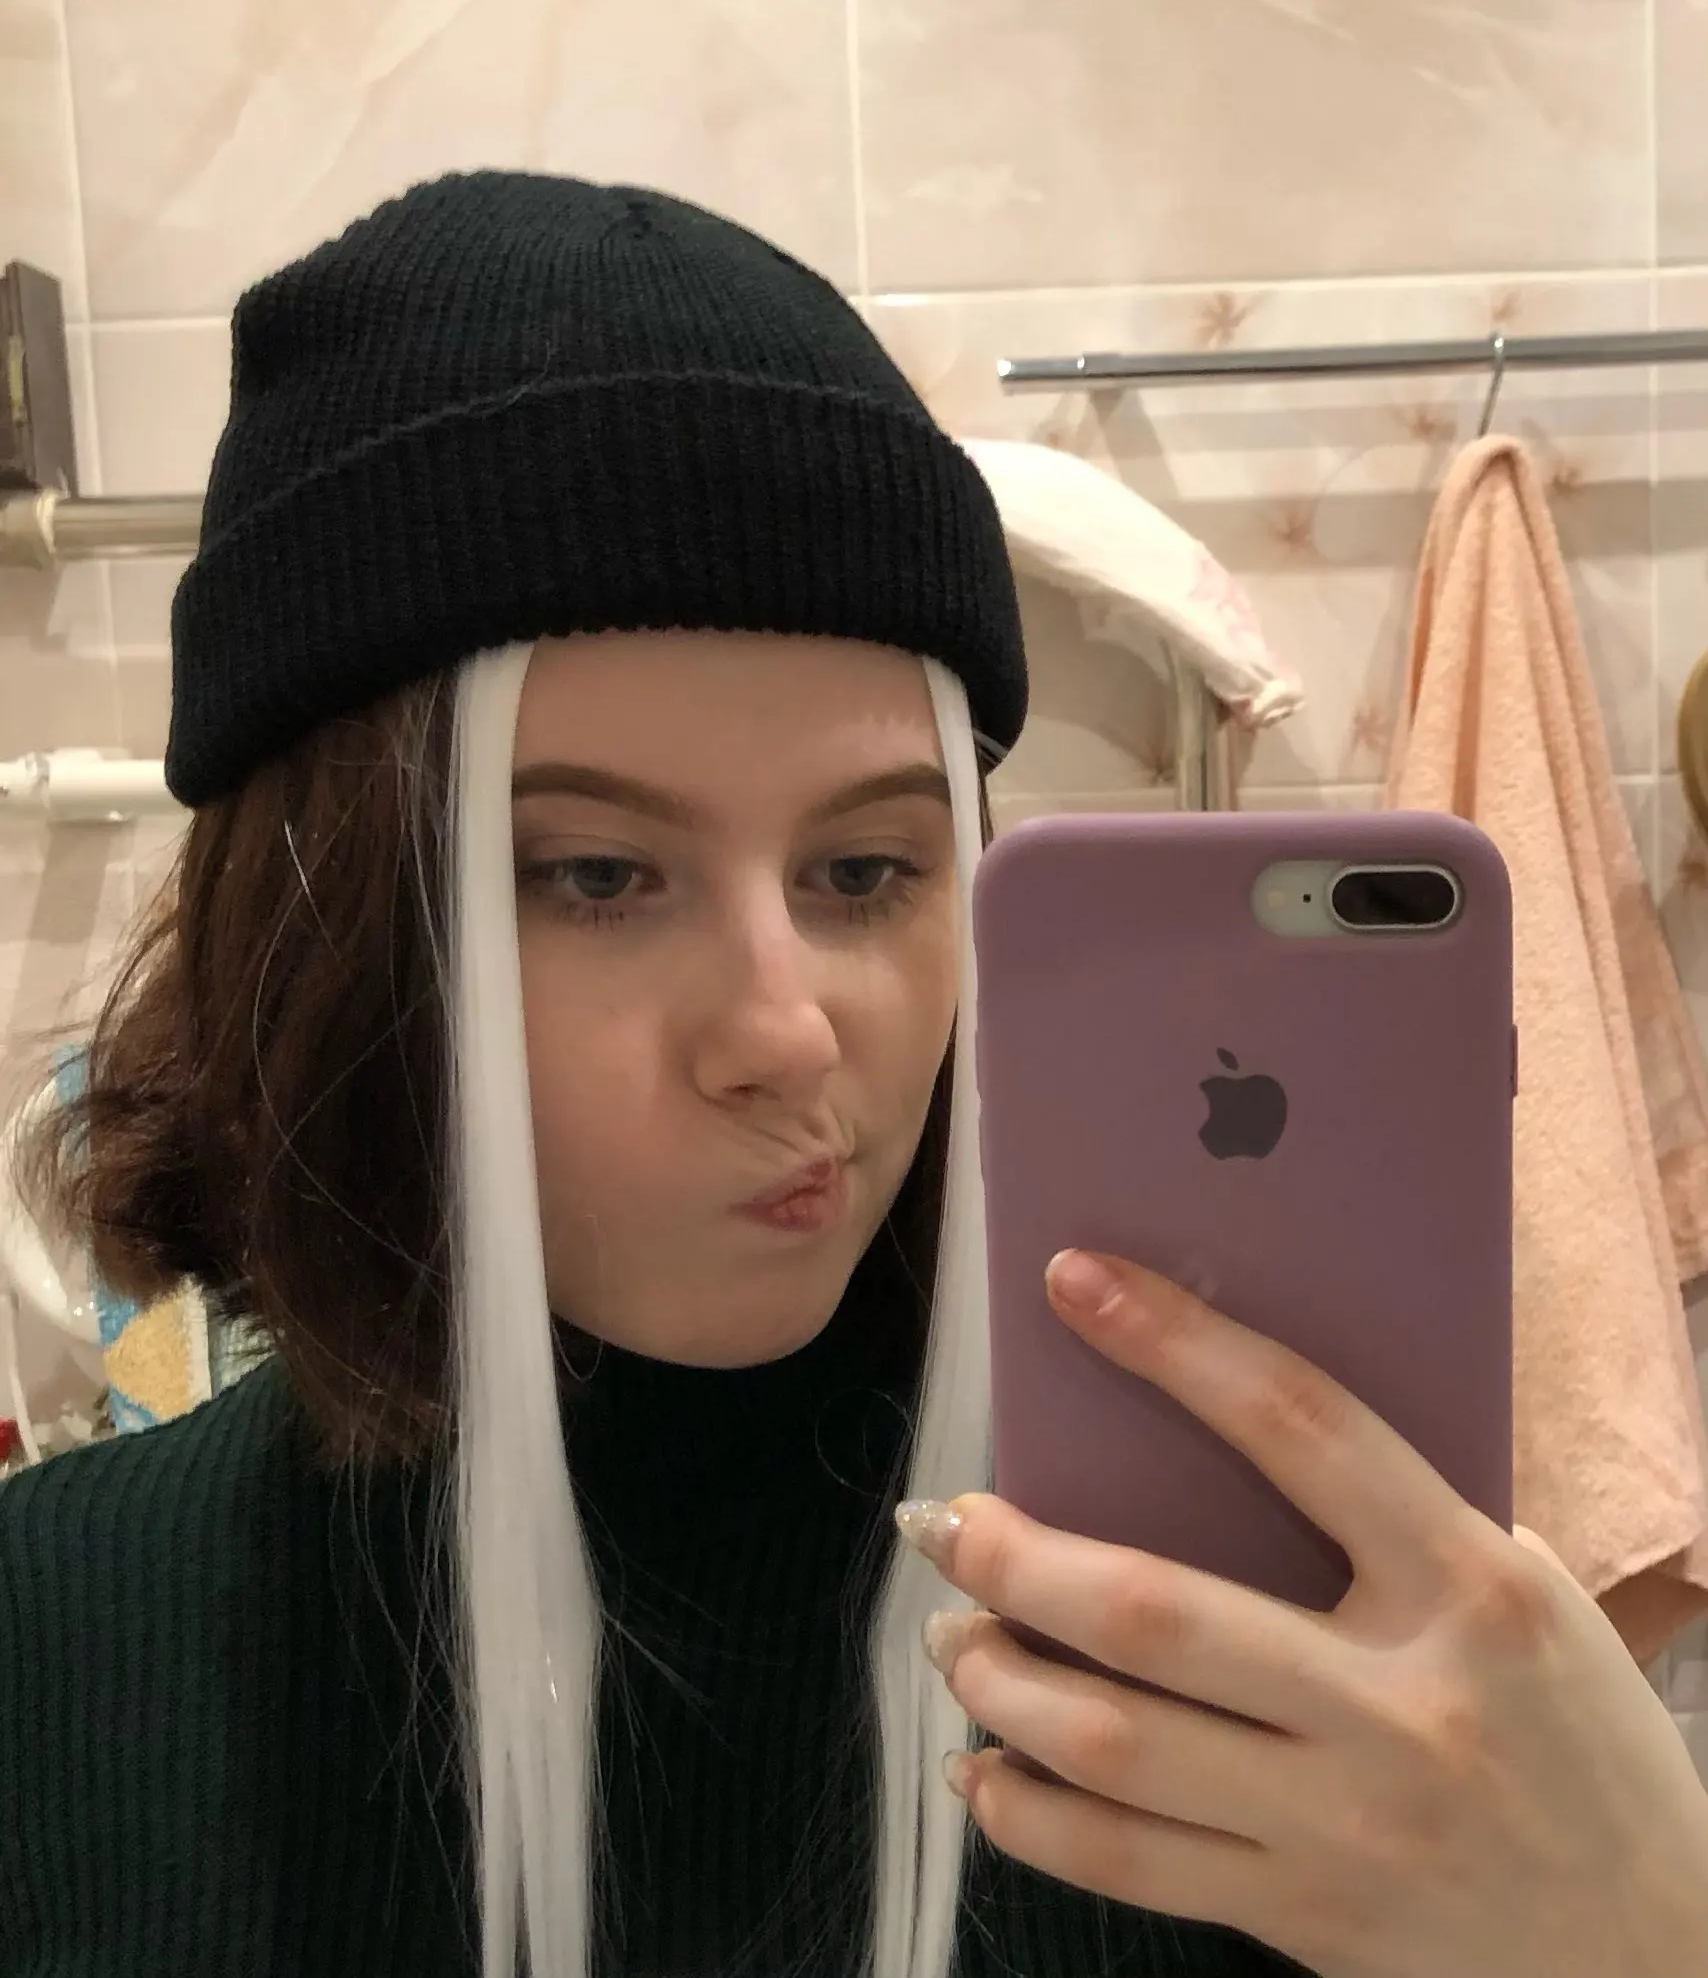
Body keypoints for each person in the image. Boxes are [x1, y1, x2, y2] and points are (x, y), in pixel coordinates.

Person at [1, 171, 1706, 1978]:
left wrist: (1643, 1930)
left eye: (867, 870)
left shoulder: (1257, 1674)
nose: (790, 1031)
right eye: (598, 876)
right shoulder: (51, 1655)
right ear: (319, 929)